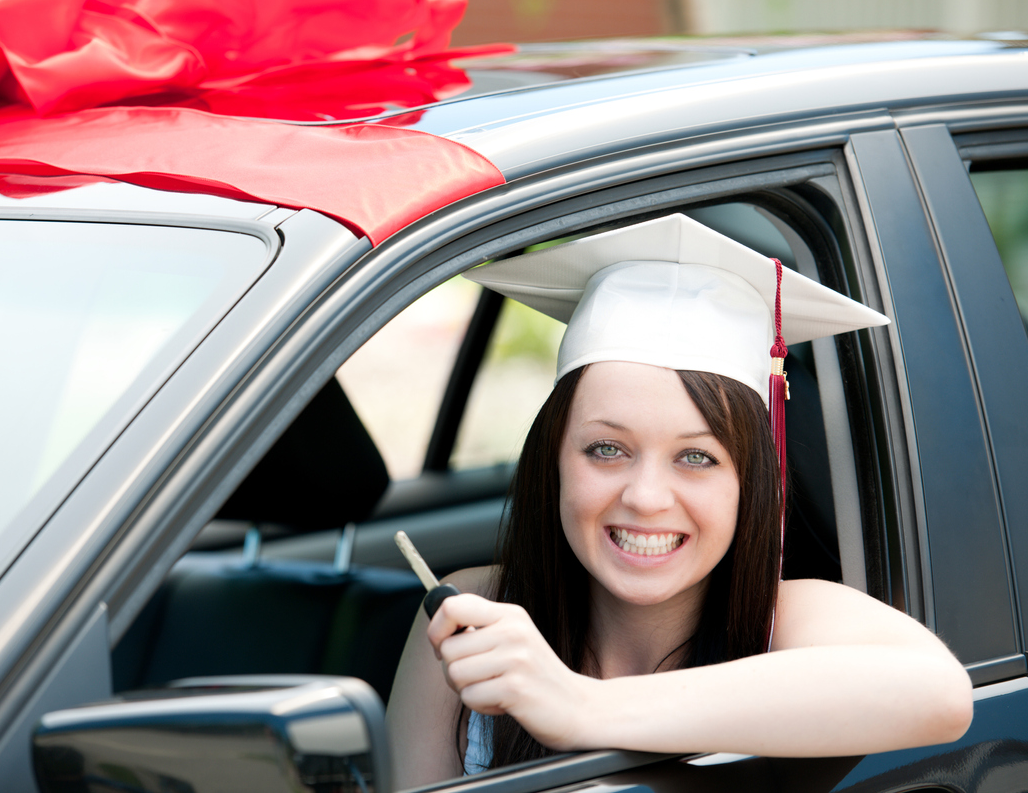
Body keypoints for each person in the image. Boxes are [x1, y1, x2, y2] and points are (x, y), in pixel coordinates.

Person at [385, 213, 973, 786]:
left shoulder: (784, 623)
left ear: (755, 481)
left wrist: (581, 706)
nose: (645, 497)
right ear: (553, 461)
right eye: (606, 449)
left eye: (697, 457)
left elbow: (938, 692)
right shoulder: (475, 619)